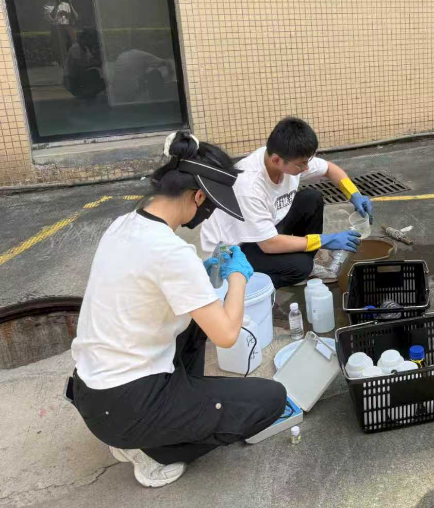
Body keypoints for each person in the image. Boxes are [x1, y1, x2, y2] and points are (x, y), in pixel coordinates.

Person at [69, 131, 289, 487]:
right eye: (210, 206)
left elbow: (147, 282)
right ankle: (154, 452)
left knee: (198, 318)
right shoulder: (171, 252)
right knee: (270, 399)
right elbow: (227, 335)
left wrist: (202, 274)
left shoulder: (124, 224)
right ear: (198, 196)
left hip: (93, 390)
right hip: (127, 405)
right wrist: (238, 276)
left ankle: (173, 411)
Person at [200, 117, 372, 287]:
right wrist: (324, 240)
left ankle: (304, 264)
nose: (306, 168)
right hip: (234, 248)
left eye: (307, 162)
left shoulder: (287, 156)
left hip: (265, 228)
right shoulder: (249, 186)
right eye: (301, 165)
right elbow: (268, 244)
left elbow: (329, 169)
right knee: (300, 267)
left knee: (311, 199)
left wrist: (354, 194)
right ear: (276, 160)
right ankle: (249, 286)